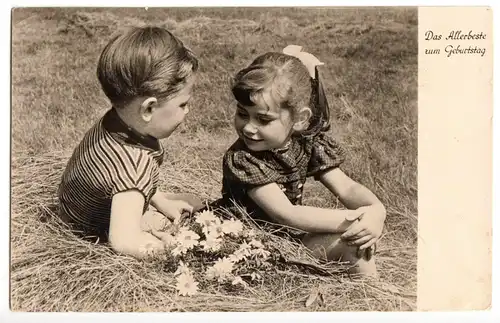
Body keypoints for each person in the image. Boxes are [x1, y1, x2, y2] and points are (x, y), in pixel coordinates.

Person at [216, 45, 386, 276]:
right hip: (252, 250)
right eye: (242, 114)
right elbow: (288, 215)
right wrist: (357, 221)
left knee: (358, 240)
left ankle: (373, 298)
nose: (248, 128)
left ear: (299, 119)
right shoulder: (243, 159)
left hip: (290, 242)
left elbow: (346, 186)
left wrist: (376, 211)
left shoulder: (306, 143)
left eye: (263, 120)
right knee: (355, 237)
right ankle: (373, 299)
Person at [57, 26, 202, 259]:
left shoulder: (115, 121)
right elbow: (123, 240)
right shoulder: (135, 163)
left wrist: (161, 201)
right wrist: (163, 251)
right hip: (91, 231)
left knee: (186, 204)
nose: (187, 111)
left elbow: (126, 180)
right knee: (194, 220)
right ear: (149, 108)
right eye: (182, 104)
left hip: (74, 209)